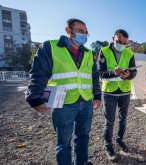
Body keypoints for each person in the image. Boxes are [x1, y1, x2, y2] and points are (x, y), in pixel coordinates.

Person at [26, 18, 101, 165]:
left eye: (86, 33)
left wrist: (97, 96)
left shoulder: (88, 53)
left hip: (85, 102)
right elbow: (39, 73)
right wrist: (34, 97)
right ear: (68, 30)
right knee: (64, 142)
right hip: (63, 103)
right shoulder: (50, 47)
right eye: (80, 31)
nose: (84, 35)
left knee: (83, 136)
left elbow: (94, 76)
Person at [99, 29, 137, 161]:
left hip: (125, 91)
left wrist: (128, 75)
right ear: (113, 39)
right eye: (119, 41)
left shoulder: (129, 53)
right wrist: (112, 73)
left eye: (124, 43)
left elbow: (134, 72)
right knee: (109, 121)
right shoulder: (104, 51)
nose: (121, 44)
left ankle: (119, 140)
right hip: (109, 92)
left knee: (123, 119)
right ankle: (108, 146)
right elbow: (100, 73)